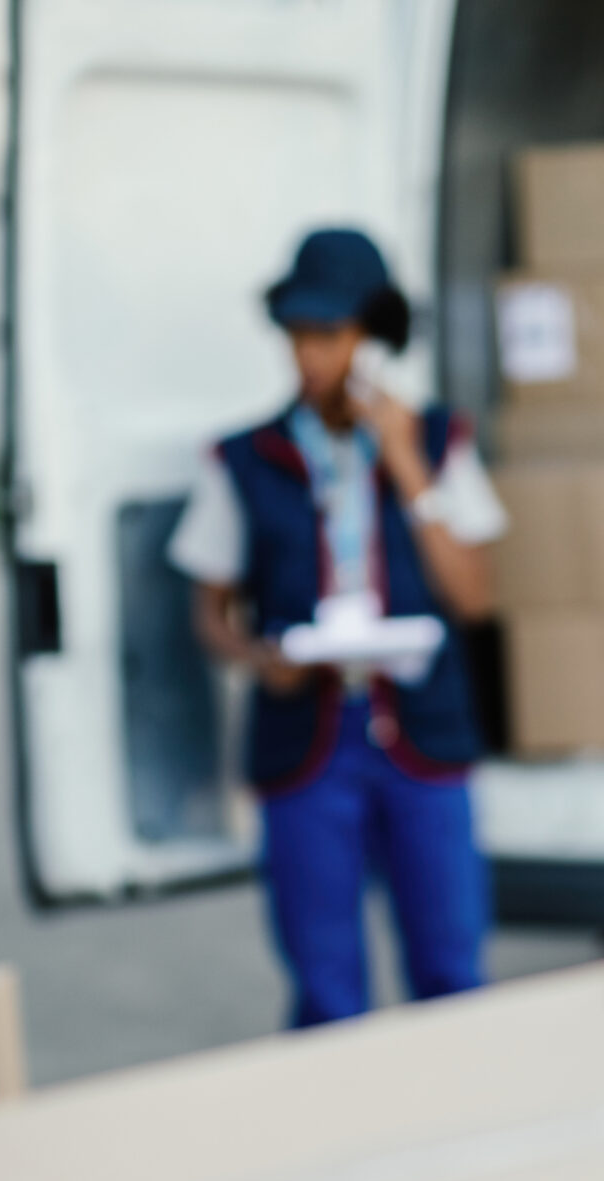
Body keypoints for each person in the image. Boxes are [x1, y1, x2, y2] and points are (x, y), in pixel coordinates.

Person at [168, 226, 506, 1028]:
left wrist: (406, 464)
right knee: (325, 986)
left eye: (329, 334)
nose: (309, 356)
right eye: (297, 336)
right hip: (308, 743)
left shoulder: (438, 442)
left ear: (371, 338)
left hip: (422, 734)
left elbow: (474, 597)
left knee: (451, 967)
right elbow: (210, 611)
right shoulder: (244, 458)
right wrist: (260, 657)